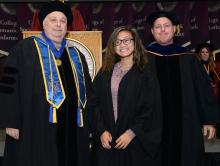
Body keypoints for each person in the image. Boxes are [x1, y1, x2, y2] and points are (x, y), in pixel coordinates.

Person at [0, 1, 92, 166]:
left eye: (62, 21)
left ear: (67, 26)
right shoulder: (23, 49)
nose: (58, 25)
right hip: (34, 124)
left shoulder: (76, 55)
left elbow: (88, 92)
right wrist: (10, 121)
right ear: (43, 23)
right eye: (53, 20)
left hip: (73, 127)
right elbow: (8, 85)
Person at [146, 11, 219, 166]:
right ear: (152, 31)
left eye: (167, 26)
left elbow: (203, 90)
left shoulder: (189, 58)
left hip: (187, 122)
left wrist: (208, 120)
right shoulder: (144, 59)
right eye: (158, 27)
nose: (163, 30)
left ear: (175, 29)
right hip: (152, 124)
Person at [91, 26, 162, 166]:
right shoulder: (105, 72)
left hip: (134, 141)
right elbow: (94, 103)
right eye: (117, 42)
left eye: (126, 40)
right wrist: (101, 131)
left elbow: (150, 108)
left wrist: (132, 132)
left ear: (135, 43)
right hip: (107, 140)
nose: (122, 45)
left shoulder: (145, 74)